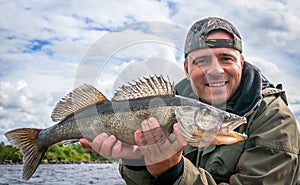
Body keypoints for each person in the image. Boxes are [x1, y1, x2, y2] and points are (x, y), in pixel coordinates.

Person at [80, 17, 300, 184]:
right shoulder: (174, 100)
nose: (215, 70)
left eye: (226, 59)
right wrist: (135, 161)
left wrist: (171, 171)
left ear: (241, 63)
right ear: (186, 68)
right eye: (202, 60)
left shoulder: (276, 120)